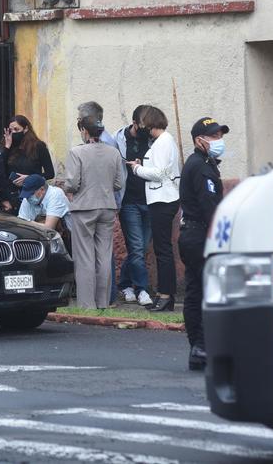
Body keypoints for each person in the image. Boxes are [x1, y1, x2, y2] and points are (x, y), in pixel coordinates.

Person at [179, 116, 229, 371]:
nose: (219, 141)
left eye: (220, 136)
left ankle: (198, 348)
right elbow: (210, 207)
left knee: (196, 291)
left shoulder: (203, 163)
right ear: (200, 141)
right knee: (206, 293)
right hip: (200, 236)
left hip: (193, 234)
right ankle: (200, 345)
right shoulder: (201, 167)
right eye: (214, 136)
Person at [64, 115, 125, 309]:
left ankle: (86, 304)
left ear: (84, 131)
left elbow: (72, 184)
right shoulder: (113, 152)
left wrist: (69, 187)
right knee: (104, 256)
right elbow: (118, 183)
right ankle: (103, 302)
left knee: (84, 257)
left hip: (84, 207)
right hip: (107, 206)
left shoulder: (76, 152)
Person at [129, 105, 181, 312]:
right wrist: (143, 165)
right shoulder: (162, 141)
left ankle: (166, 295)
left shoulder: (163, 141)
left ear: (149, 122)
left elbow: (159, 173)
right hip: (162, 199)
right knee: (161, 249)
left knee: (163, 250)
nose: (141, 126)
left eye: (142, 122)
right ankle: (163, 293)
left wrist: (137, 169)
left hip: (163, 200)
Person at [113, 105, 154, 307]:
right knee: (137, 247)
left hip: (151, 200)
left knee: (141, 247)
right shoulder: (118, 139)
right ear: (134, 123)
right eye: (144, 126)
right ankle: (142, 289)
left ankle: (125, 284)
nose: (148, 130)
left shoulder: (154, 140)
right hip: (129, 201)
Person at [2, 115, 55, 212]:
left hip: (32, 195)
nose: (13, 133)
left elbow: (50, 173)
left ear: (26, 128)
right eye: (11, 130)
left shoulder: (38, 146)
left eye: (16, 129)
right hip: (12, 197)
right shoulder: (8, 147)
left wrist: (30, 178)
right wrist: (7, 147)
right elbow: (0, 169)